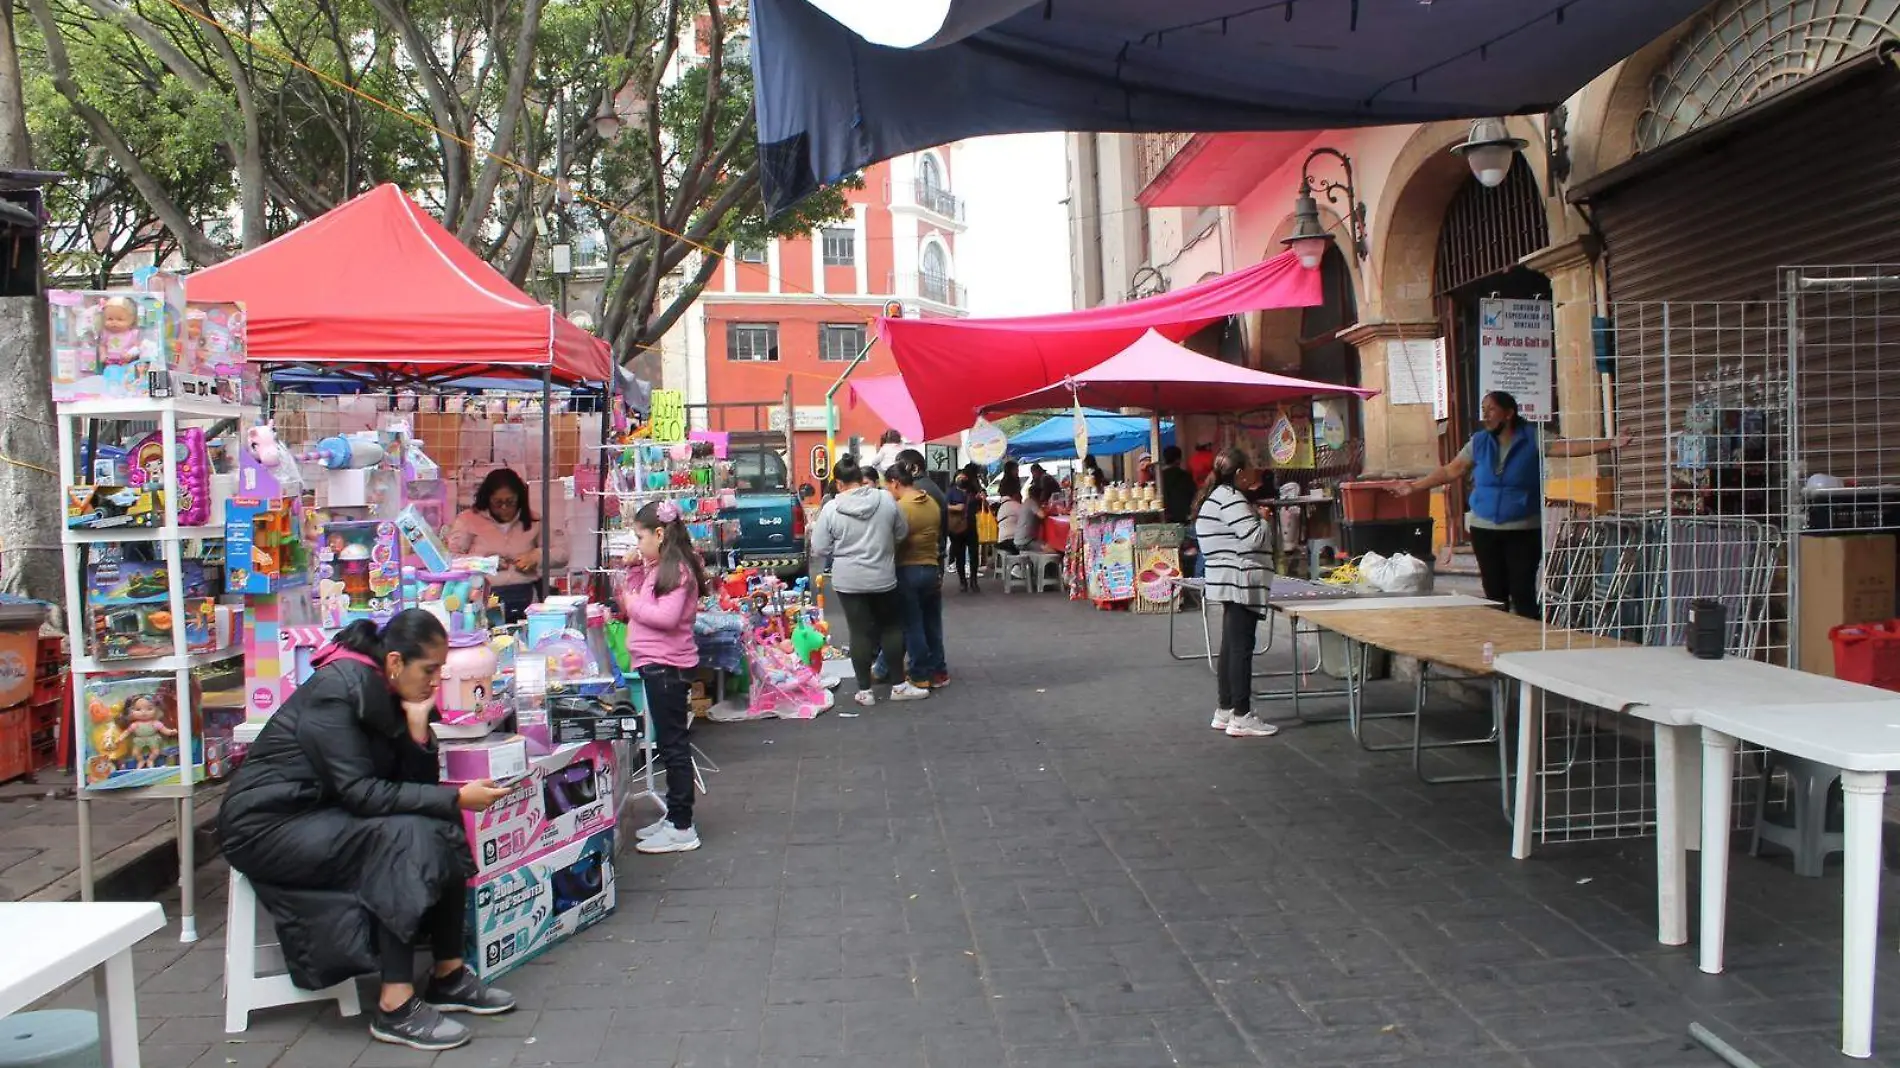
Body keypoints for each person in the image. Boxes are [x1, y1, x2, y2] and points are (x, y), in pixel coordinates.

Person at [218, 611, 515, 1053]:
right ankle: (395, 1004)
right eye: (430, 670)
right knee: (401, 836)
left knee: (437, 819)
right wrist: (453, 797)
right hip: (266, 826)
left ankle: (447, 975)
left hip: (320, 811)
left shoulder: (387, 690)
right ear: (395, 660)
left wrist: (418, 729)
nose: (436, 682)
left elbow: (412, 788)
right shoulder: (338, 691)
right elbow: (361, 794)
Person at [1393, 390, 1628, 619]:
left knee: (1522, 592)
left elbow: (1567, 447)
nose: (1486, 415)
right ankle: (1499, 646)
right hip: (1485, 529)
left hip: (1524, 529)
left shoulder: (1532, 437)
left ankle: (1531, 649)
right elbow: (1451, 470)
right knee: (1494, 595)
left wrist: (1610, 443)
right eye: (1483, 410)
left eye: (1491, 409)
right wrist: (1414, 486)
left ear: (1508, 413)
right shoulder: (1479, 442)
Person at [618, 499, 708, 855]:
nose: (637, 545)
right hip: (655, 663)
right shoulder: (660, 568)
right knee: (669, 745)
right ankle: (674, 817)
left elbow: (664, 616)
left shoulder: (679, 571)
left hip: (665, 666)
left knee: (673, 747)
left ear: (659, 534)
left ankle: (683, 826)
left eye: (640, 538)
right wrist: (635, 573)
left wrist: (630, 603)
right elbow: (645, 596)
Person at [809, 456, 927, 707]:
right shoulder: (885, 498)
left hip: (848, 580)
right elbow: (902, 531)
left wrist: (840, 549)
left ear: (839, 483)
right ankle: (898, 685)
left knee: (859, 632)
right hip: (883, 576)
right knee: (891, 628)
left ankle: (865, 692)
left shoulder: (831, 508)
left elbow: (819, 547)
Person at [1195, 447, 1279, 740]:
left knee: (1231, 646)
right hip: (1240, 580)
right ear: (1240, 473)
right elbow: (1252, 538)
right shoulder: (1231, 500)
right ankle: (1242, 715)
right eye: (1253, 466)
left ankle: (1226, 709)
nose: (1256, 471)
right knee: (1241, 647)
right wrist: (1265, 518)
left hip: (1228, 580)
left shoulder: (1215, 497)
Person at [447, 469, 547, 623]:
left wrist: (536, 556)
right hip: (482, 595)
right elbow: (450, 559)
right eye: (498, 502)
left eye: (510, 502)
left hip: (525, 595)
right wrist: (484, 563)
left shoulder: (534, 520)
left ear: (520, 499)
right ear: (487, 499)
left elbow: (561, 553)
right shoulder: (468, 520)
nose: (504, 508)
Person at [888, 462, 950, 688]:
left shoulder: (901, 508)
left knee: (912, 624)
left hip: (909, 568)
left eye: (889, 488)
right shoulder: (931, 502)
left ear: (895, 483)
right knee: (932, 623)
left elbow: (896, 540)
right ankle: (939, 671)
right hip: (932, 566)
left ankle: (919, 674)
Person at [945, 468, 981, 592]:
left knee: (974, 554)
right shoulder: (951, 492)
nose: (962, 479)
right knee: (959, 554)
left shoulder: (972, 491)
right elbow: (944, 506)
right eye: (959, 477)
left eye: (964, 477)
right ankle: (962, 581)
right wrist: (956, 507)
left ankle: (974, 580)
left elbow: (979, 508)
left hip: (971, 525)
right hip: (956, 527)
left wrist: (980, 499)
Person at [1159, 446, 1196, 525]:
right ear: (1178, 459)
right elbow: (1193, 495)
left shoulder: (1159, 477)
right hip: (1183, 518)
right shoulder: (1185, 476)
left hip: (1165, 516)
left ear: (1164, 459)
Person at [995, 486, 1025, 553]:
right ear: (1015, 495)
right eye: (1020, 495)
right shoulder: (1016, 505)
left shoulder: (1002, 506)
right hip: (1011, 541)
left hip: (1001, 541)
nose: (1021, 498)